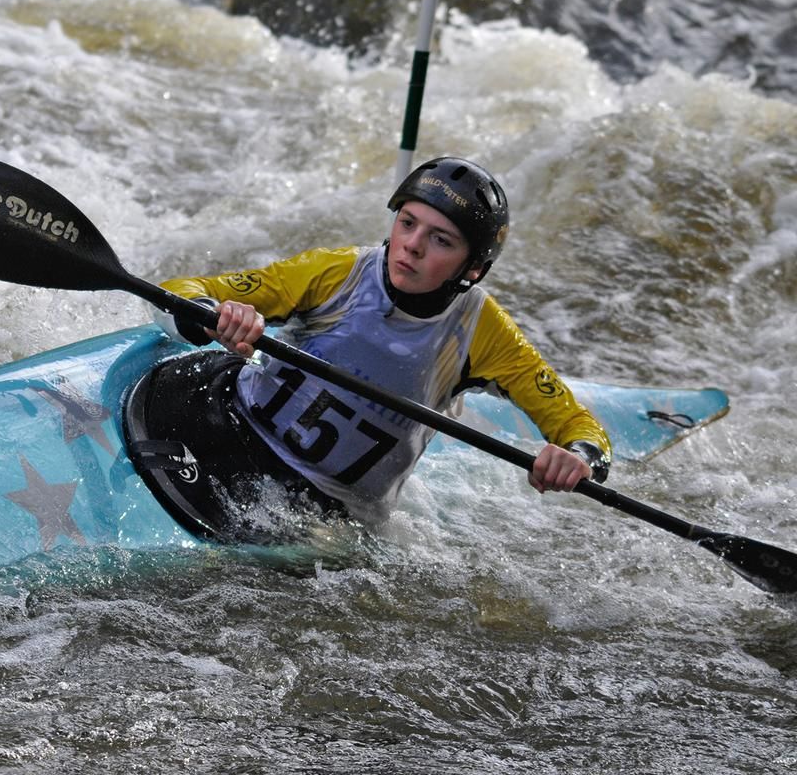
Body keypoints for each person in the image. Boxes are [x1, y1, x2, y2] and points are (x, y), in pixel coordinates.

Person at [130, 156, 611, 537]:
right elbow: (181, 289)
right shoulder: (336, 271)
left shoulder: (484, 332)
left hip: (325, 511)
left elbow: (577, 425)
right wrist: (217, 315)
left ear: (473, 269)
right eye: (407, 223)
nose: (412, 246)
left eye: (440, 239)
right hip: (227, 425)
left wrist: (578, 457)